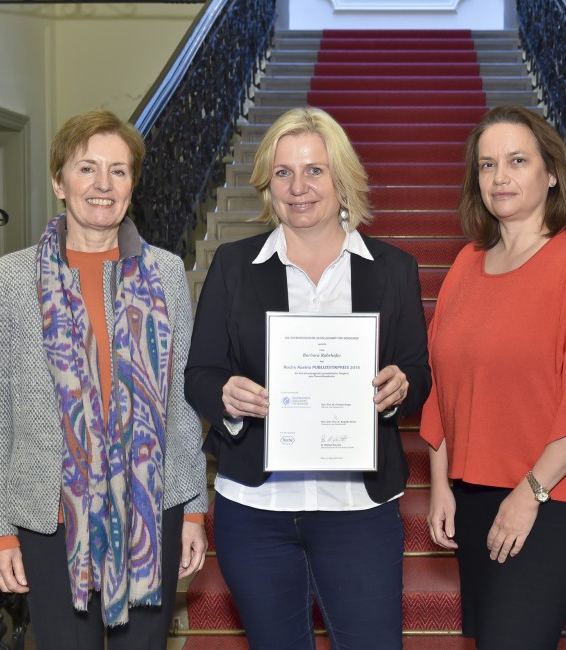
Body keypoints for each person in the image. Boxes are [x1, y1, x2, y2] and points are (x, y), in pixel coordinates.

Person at [184, 106, 431, 650]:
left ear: (341, 178)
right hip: (256, 510)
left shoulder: (393, 269)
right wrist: (225, 394)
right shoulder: (232, 266)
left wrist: (398, 390)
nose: (299, 188)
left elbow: (418, 368)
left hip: (358, 511)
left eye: (315, 170)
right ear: (267, 186)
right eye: (283, 173)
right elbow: (198, 374)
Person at [421, 105, 566, 650]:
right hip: (476, 486)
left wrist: (531, 492)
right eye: (486, 165)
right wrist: (439, 484)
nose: (500, 177)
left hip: (554, 492)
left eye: (517, 160)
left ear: (551, 173)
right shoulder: (464, 266)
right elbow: (441, 385)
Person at [0, 109, 209, 649]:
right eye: (87, 168)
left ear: (132, 185)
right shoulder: (13, 278)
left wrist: (194, 507)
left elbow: (178, 404)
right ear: (59, 181)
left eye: (119, 171)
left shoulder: (166, 273)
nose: (103, 185)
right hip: (49, 514)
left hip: (151, 508)